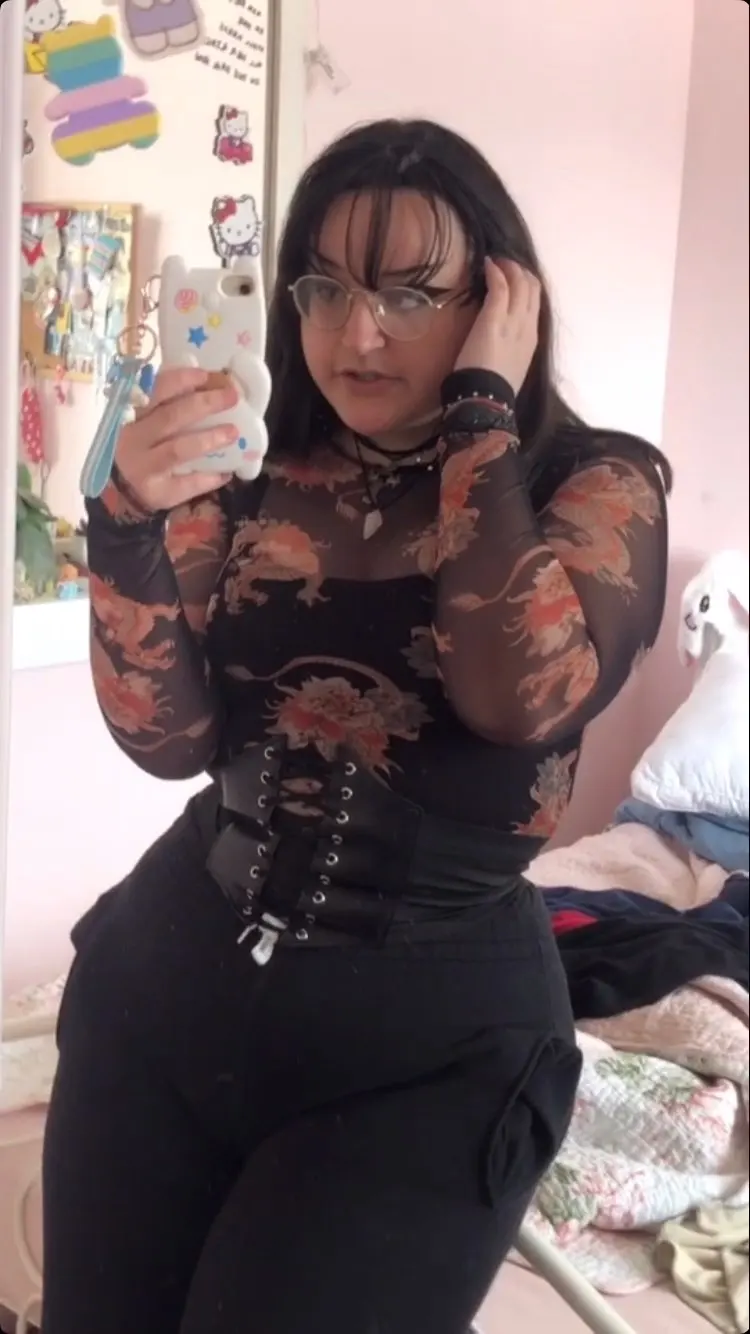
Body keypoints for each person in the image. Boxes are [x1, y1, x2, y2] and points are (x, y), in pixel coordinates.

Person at [41, 118, 670, 1334]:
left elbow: (518, 697)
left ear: (500, 300)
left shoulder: (596, 483)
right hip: (166, 986)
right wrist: (122, 521)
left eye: (407, 293)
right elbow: (168, 740)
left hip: (428, 1051)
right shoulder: (251, 466)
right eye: (324, 287)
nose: (354, 333)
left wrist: (481, 415)